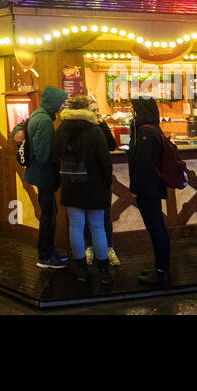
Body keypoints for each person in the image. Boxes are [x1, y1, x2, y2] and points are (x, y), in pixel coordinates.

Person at [51, 96, 114, 285]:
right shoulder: (94, 130)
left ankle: (81, 270)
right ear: (87, 109)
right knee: (97, 226)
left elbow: (54, 157)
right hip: (94, 185)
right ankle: (103, 271)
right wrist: (106, 183)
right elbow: (105, 161)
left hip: (71, 185)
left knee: (76, 227)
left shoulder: (61, 129)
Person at [15, 85, 69, 270]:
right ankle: (46, 255)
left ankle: (46, 253)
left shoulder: (38, 114)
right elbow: (43, 153)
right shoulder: (45, 121)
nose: (63, 106)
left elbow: (22, 127)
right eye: (62, 102)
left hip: (37, 173)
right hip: (44, 175)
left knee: (48, 214)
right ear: (54, 102)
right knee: (48, 216)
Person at [129, 96, 171, 287]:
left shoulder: (145, 132)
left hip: (148, 187)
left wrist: (135, 189)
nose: (133, 114)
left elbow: (142, 164)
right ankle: (160, 266)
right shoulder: (152, 129)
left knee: (156, 228)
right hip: (153, 186)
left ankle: (161, 270)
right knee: (157, 227)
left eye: (135, 111)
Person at [81, 96, 119, 269]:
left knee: (105, 215)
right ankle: (89, 248)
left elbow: (112, 146)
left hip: (102, 179)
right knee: (88, 216)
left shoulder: (101, 127)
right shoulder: (82, 129)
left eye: (97, 110)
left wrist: (103, 125)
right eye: (93, 110)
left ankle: (109, 248)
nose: (97, 113)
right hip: (87, 178)